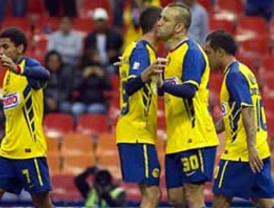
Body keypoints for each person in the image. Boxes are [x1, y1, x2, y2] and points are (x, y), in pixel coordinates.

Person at [156, 3, 219, 208]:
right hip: (176, 137)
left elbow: (190, 90)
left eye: (164, 19)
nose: (159, 23)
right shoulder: (170, 56)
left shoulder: (191, 52)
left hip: (195, 136)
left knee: (193, 196)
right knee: (175, 198)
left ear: (179, 27)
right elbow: (163, 90)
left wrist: (161, 84)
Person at [204, 30, 274, 208]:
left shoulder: (234, 75)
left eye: (209, 53)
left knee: (220, 198)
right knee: (264, 201)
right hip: (259, 148)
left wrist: (250, 147)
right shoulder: (244, 71)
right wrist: (208, 132)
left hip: (241, 152)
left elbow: (247, 110)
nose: (207, 58)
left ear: (220, 52)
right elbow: (231, 117)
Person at [116, 6, 165, 208]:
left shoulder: (140, 51)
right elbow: (131, 85)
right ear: (157, 25)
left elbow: (156, 91)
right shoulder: (141, 51)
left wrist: (157, 78)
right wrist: (146, 73)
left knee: (150, 193)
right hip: (136, 132)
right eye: (165, 21)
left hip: (136, 132)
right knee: (153, 194)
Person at [0, 27, 52, 208]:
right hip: (7, 149)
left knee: (41, 202)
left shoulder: (29, 67)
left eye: (6, 47)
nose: (1, 52)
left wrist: (17, 69)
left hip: (29, 150)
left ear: (20, 48)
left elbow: (45, 75)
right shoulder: (7, 75)